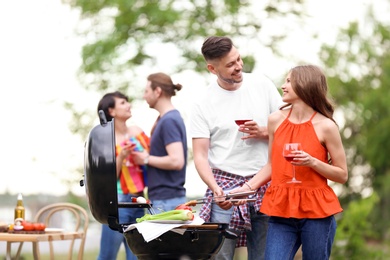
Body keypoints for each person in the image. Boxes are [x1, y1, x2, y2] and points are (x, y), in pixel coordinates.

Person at [233, 65, 348, 259]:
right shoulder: (275, 120)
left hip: (317, 213)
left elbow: (342, 174)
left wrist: (313, 162)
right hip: (281, 210)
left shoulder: (327, 126)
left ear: (305, 85)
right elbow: (271, 165)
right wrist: (246, 188)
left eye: (288, 81)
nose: (282, 86)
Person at [189, 36, 283, 260]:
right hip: (225, 188)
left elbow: (288, 131)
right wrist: (215, 189)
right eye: (230, 65)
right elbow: (200, 155)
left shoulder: (263, 84)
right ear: (212, 69)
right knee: (220, 257)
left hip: (264, 183)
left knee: (265, 257)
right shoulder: (203, 101)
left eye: (238, 59)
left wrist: (263, 131)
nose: (238, 66)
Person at [96, 91, 150, 260]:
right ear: (111, 111)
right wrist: (121, 156)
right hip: (118, 203)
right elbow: (106, 177)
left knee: (136, 255)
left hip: (139, 201)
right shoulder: (105, 139)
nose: (129, 105)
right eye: (123, 103)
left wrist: (143, 157)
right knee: (107, 255)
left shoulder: (137, 132)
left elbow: (152, 157)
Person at [131, 72, 187, 212]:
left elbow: (176, 161)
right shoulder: (165, 119)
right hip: (163, 199)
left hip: (167, 200)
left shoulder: (169, 121)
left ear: (158, 91)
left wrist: (146, 159)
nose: (144, 96)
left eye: (146, 91)